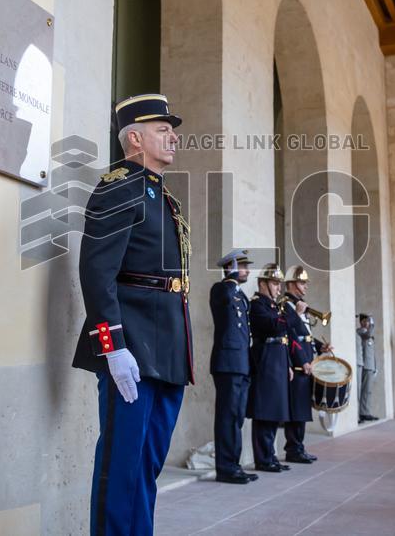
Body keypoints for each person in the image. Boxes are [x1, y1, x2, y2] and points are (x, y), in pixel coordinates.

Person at [72, 93, 191, 536]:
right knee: (121, 466)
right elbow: (97, 273)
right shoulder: (119, 186)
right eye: (163, 130)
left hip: (166, 349)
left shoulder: (163, 198)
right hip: (133, 349)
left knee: (146, 466)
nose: (174, 136)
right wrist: (113, 348)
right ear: (135, 138)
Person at [209, 249, 258, 484]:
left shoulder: (241, 296)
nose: (248, 270)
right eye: (244, 265)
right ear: (232, 267)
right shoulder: (222, 289)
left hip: (241, 363)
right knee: (227, 416)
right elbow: (225, 298)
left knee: (237, 417)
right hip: (227, 363)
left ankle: (233, 464)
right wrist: (230, 277)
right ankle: (226, 468)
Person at [247, 263, 292, 473]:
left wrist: (289, 364)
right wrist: (291, 314)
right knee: (265, 411)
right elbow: (274, 326)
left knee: (275, 411)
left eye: (278, 284)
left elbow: (283, 336)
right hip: (266, 360)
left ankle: (270, 455)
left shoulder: (273, 306)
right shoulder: (257, 305)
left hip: (279, 360)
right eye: (274, 283)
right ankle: (263, 458)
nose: (278, 288)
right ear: (262, 283)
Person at [281, 265, 329, 463]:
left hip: (307, 362)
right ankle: (293, 449)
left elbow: (305, 335)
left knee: (302, 409)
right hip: (297, 363)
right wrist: (301, 361)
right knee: (296, 410)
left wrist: (321, 346)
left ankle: (299, 447)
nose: (305, 286)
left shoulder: (300, 305)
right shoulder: (286, 305)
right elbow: (290, 335)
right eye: (302, 282)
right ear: (291, 284)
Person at [356, 314, 378, 423]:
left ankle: (365, 412)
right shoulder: (361, 331)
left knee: (368, 391)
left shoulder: (369, 334)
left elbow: (372, 353)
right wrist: (372, 324)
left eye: (368, 321)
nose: (366, 323)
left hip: (370, 366)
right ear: (360, 322)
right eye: (364, 321)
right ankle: (360, 414)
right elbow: (368, 334)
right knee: (362, 390)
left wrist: (375, 367)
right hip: (364, 365)